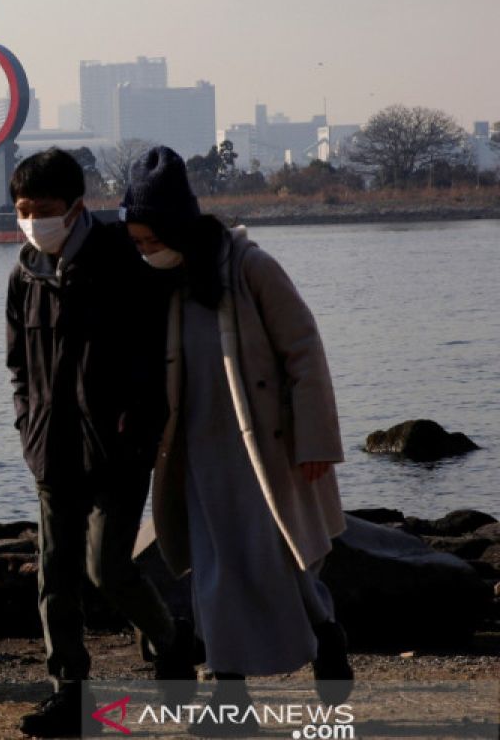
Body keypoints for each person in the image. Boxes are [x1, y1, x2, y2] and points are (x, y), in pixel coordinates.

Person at [120, 146, 353, 733]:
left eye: (150, 240)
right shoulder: (160, 283)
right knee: (214, 572)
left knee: (287, 560)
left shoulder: (249, 266)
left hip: (265, 450)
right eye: (139, 243)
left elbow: (304, 351)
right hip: (196, 454)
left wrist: (316, 442)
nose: (145, 252)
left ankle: (327, 634)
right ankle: (231, 702)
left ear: (174, 226)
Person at [6, 149, 193, 738]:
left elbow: (163, 350)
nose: (33, 219)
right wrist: (26, 422)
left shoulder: (123, 261)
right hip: (49, 448)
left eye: (45, 209)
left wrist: (143, 422)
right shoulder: (23, 274)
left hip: (118, 448)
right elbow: (17, 365)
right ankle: (69, 691)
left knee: (107, 568)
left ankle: (171, 641)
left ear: (77, 207)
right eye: (23, 209)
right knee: (54, 576)